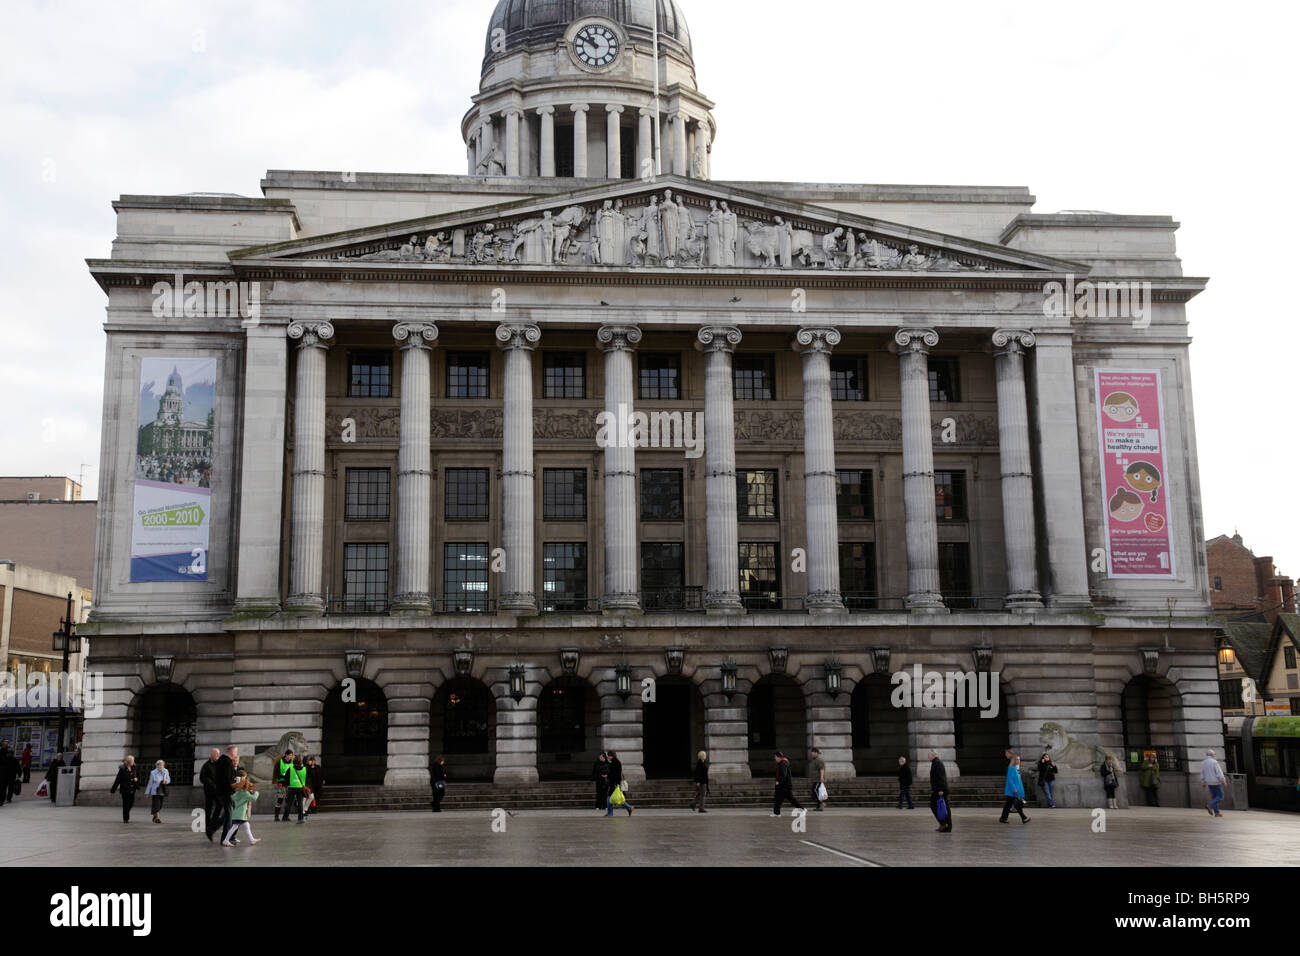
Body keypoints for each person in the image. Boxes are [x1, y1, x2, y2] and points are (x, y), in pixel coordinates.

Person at [208, 746, 239, 842]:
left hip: (222, 792)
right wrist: (235, 785)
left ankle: (211, 829)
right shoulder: (226, 762)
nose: (236, 754)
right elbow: (227, 780)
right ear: (232, 752)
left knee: (229, 814)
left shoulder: (222, 761)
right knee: (230, 815)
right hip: (226, 792)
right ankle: (225, 838)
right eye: (236, 751)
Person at [222, 772, 261, 847]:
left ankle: (252, 840)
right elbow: (253, 798)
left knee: (246, 826)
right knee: (234, 827)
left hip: (238, 813)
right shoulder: (245, 793)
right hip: (241, 814)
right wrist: (256, 793)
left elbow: (233, 797)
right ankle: (226, 840)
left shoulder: (239, 792)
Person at [770, 751, 803, 817]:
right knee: (778, 798)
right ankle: (776, 813)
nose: (775, 759)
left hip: (784, 785)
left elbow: (783, 774)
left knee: (790, 799)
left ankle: (802, 809)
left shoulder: (783, 763)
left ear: (778, 757)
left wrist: (778, 781)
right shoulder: (783, 762)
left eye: (775, 757)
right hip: (783, 785)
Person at [1000, 755, 1030, 824]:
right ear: (1013, 760)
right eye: (1016, 759)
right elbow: (1010, 780)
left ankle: (1003, 818)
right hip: (1013, 791)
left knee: (1008, 805)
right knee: (1016, 804)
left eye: (1019, 759)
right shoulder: (1011, 768)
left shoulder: (1017, 769)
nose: (1018, 761)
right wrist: (1014, 789)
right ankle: (1024, 818)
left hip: (1016, 790)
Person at [199, 748, 222, 837]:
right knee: (208, 808)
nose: (218, 755)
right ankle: (207, 825)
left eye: (218, 754)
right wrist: (211, 783)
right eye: (216, 754)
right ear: (211, 754)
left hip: (218, 790)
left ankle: (213, 822)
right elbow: (202, 778)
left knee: (220, 805)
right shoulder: (206, 765)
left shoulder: (220, 764)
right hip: (209, 791)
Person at [110, 755, 139, 823]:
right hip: (125, 789)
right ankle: (126, 818)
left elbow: (135, 777)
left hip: (132, 789)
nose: (133, 762)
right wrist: (113, 790)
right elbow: (117, 780)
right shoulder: (122, 769)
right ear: (129, 762)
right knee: (126, 804)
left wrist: (136, 781)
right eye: (132, 761)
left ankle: (126, 813)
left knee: (131, 803)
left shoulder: (133, 768)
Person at [929, 750, 952, 832]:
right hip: (938, 789)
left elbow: (941, 777)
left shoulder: (937, 763)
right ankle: (945, 825)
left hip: (940, 790)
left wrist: (941, 789)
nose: (928, 756)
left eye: (929, 755)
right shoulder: (935, 762)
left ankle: (945, 824)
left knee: (937, 806)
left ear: (933, 755)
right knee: (942, 807)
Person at [1201, 749, 1227, 817]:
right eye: (1214, 754)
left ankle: (1217, 812)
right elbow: (1219, 773)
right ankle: (1209, 805)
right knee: (1220, 796)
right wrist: (1223, 781)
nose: (1214, 755)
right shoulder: (1214, 762)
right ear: (1212, 755)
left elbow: (1202, 773)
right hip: (1216, 782)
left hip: (1209, 782)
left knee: (1215, 797)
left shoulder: (1203, 762)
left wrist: (1203, 782)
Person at [144, 759, 171, 823]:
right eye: (159, 765)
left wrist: (166, 781)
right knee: (156, 805)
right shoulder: (153, 772)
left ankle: (154, 816)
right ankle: (157, 818)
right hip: (155, 791)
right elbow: (150, 783)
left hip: (162, 790)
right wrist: (147, 792)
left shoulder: (166, 771)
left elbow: (169, 779)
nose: (160, 766)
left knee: (160, 805)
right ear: (157, 765)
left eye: (162, 765)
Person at [273, 748, 295, 822]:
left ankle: (286, 816)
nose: (291, 756)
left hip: (288, 784)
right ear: (286, 755)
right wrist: (282, 776)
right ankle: (276, 816)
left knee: (288, 800)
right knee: (280, 799)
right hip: (281, 784)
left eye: (292, 755)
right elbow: (276, 772)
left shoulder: (292, 763)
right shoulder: (280, 762)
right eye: (290, 755)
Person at [285, 754, 308, 823]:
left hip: (292, 787)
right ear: (301, 762)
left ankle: (285, 817)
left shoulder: (291, 768)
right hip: (300, 788)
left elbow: (286, 777)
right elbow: (306, 778)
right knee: (300, 803)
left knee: (289, 803)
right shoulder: (304, 769)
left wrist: (287, 784)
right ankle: (300, 817)